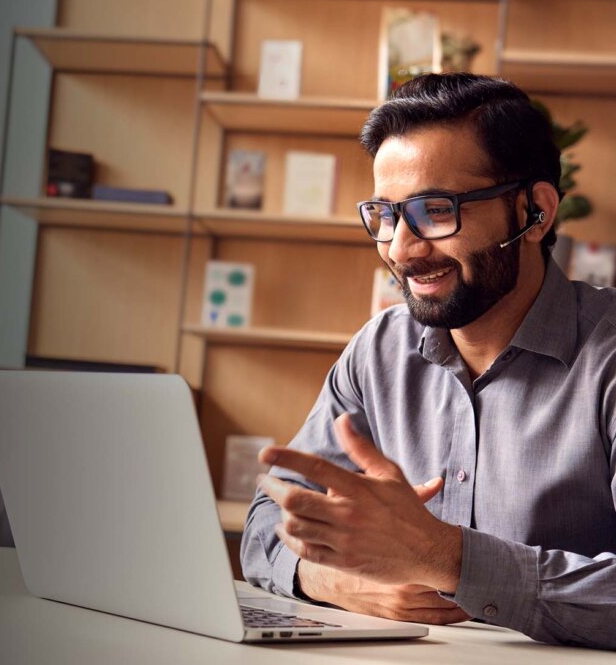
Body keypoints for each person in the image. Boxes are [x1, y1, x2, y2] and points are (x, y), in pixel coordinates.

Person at [239, 73, 614, 650]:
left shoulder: (607, 359)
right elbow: (270, 518)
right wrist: (339, 581)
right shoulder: (379, 350)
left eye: (436, 211)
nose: (402, 248)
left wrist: (441, 556)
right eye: (386, 215)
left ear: (534, 213)